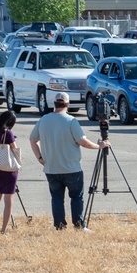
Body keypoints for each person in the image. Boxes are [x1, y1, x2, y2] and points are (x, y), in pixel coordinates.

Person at [29, 92, 108, 230]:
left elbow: (32, 139)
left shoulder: (44, 120)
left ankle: (60, 226)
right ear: (67, 104)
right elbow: (82, 141)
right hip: (71, 168)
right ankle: (78, 225)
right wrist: (99, 146)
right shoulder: (71, 120)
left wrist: (40, 157)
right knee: (76, 197)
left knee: (57, 198)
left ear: (54, 104)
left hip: (51, 168)